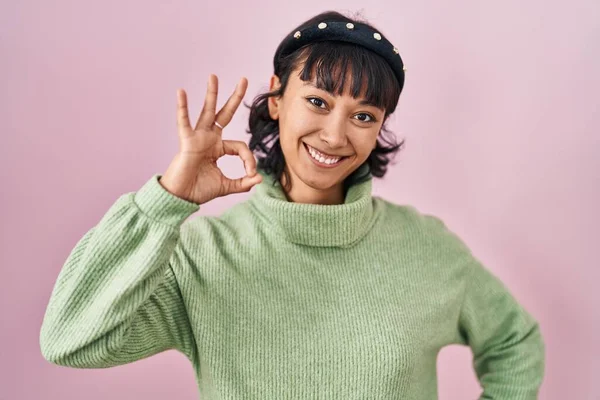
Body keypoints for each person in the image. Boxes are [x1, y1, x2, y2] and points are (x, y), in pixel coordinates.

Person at [39, 10, 545, 399]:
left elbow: (513, 341)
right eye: (318, 102)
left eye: (363, 116)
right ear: (277, 98)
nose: (334, 134)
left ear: (379, 129)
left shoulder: (426, 247)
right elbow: (71, 340)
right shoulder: (205, 254)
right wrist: (164, 202)